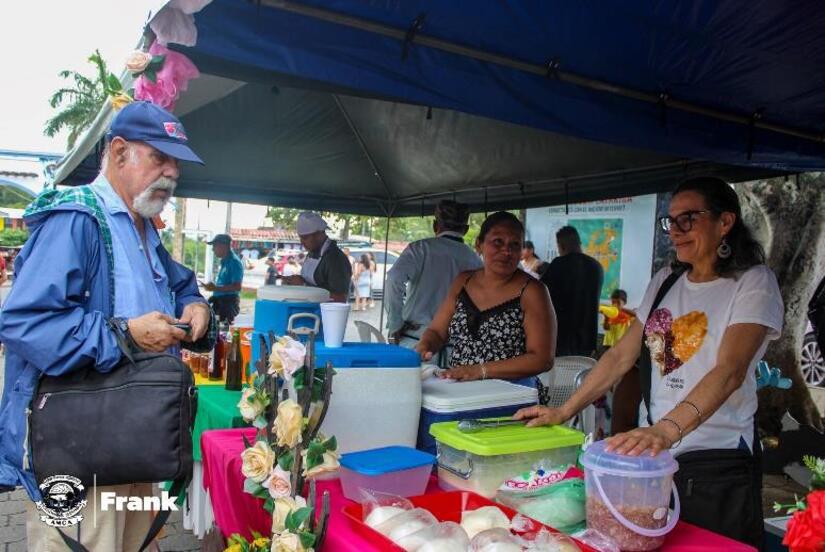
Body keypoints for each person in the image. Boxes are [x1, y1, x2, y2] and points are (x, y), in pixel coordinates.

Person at [515, 177, 783, 547]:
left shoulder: (753, 282)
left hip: (714, 462)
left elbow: (730, 371)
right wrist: (563, 410)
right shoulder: (666, 280)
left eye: (688, 218)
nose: (675, 231)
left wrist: (667, 430)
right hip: (650, 462)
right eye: (671, 221)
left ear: (725, 222)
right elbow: (620, 356)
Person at [0, 100, 212, 550]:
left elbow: (182, 284)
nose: (171, 172)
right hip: (78, 453)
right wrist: (125, 334)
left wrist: (196, 306)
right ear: (118, 153)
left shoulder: (144, 230)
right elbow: (24, 322)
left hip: (134, 443)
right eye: (159, 157)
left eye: (176, 162)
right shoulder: (76, 218)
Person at [416, 211, 556, 387]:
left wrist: (479, 371)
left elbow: (542, 359)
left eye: (515, 244)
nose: (506, 250)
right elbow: (437, 331)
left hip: (513, 396)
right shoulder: (463, 282)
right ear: (479, 245)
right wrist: (425, 345)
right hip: (460, 389)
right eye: (498, 242)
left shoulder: (533, 291)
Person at [385, 200, 483, 350]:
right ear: (466, 229)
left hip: (415, 338)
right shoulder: (475, 260)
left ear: (435, 225)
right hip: (454, 345)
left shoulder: (420, 249)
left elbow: (393, 279)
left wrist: (395, 324)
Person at [540, 226, 603, 356]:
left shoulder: (558, 265)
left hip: (561, 339)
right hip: (587, 340)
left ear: (561, 245)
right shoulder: (596, 266)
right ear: (579, 243)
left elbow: (539, 293)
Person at [282, 212, 352, 302]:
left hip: (324, 314)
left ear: (319, 234)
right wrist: (293, 281)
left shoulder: (335, 259)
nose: (302, 242)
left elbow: (340, 298)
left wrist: (304, 286)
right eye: (300, 238)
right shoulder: (312, 253)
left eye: (305, 238)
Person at [204, 233, 244, 325]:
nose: (213, 249)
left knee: (225, 330)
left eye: (215, 246)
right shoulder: (224, 261)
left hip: (228, 303)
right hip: (219, 302)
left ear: (223, 246)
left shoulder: (234, 262)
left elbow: (237, 287)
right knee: (216, 329)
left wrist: (215, 288)